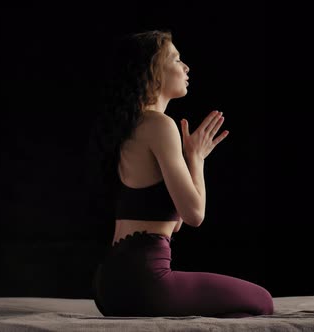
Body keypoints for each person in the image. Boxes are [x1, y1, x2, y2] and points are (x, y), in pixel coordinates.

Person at [90, 30, 274, 318]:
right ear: (153, 72)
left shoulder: (131, 125)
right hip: (143, 282)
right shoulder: (160, 125)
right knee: (262, 301)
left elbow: (172, 224)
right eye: (176, 59)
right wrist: (196, 159)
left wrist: (189, 160)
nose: (186, 67)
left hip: (109, 283)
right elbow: (194, 215)